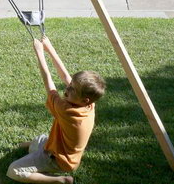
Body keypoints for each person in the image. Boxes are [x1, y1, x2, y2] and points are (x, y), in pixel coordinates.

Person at [7, 37, 106, 184]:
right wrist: (49, 47)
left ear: (84, 99)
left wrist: (40, 53)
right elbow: (66, 76)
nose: (66, 89)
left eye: (71, 90)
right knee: (38, 140)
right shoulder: (89, 105)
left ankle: (60, 180)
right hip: (63, 151)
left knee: (13, 170)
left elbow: (49, 83)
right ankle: (26, 149)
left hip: (58, 160)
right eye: (70, 85)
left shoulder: (67, 111)